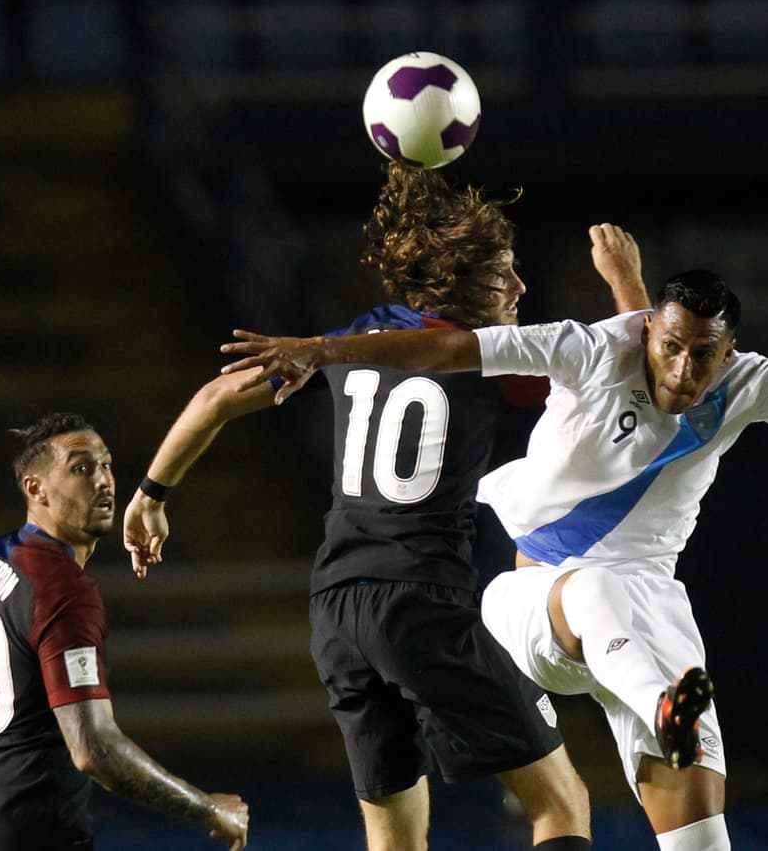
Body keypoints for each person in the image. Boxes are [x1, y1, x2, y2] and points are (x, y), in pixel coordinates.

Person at [220, 256, 768, 850]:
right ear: (648, 328)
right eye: (671, 346)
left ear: (730, 349)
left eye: (705, 354)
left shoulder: (748, 381)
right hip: (530, 605)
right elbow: (444, 350)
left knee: (699, 839)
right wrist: (322, 348)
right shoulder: (588, 346)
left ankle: (661, 711)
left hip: (649, 618)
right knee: (595, 591)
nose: (685, 370)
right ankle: (659, 707)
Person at [122, 162, 650, 851]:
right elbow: (644, 364)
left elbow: (217, 397)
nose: (520, 287)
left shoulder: (354, 339)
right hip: (421, 601)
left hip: (337, 608)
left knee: (393, 835)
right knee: (561, 802)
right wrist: (623, 278)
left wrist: (151, 492)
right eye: (504, 272)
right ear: (460, 285)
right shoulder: (489, 357)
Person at [0, 413, 249, 851]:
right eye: (81, 469)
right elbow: (95, 750)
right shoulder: (63, 589)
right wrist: (207, 808)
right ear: (35, 489)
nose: (104, 481)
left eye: (106, 465)